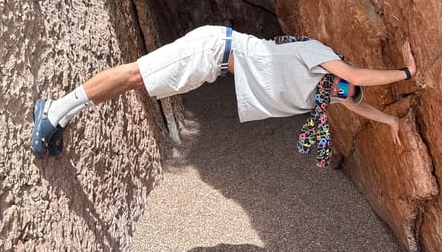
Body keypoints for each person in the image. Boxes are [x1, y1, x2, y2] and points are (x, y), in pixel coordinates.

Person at [31, 25, 416, 167]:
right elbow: (357, 77)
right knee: (136, 74)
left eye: (343, 93)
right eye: (342, 83)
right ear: (340, 69)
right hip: (212, 48)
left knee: (140, 82)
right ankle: (55, 110)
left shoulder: (323, 91)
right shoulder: (319, 54)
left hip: (209, 68)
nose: (342, 90)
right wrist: (407, 73)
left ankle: (61, 115)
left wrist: (392, 121)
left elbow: (356, 100)